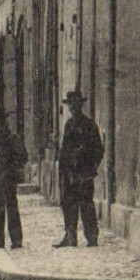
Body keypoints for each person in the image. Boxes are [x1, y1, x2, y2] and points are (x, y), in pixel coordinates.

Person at [56, 90, 105, 247]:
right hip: (71, 174)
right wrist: (64, 170)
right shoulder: (69, 125)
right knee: (69, 204)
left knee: (86, 205)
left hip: (84, 173)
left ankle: (92, 237)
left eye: (75, 104)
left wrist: (91, 169)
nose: (73, 107)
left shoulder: (89, 125)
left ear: (80, 105)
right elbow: (64, 150)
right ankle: (70, 236)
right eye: (70, 104)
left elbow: (99, 149)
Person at [0, 105, 27, 249]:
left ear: (3, 122)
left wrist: (11, 171)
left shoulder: (12, 138)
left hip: (7, 179)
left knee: (11, 208)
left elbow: (22, 156)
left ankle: (16, 239)